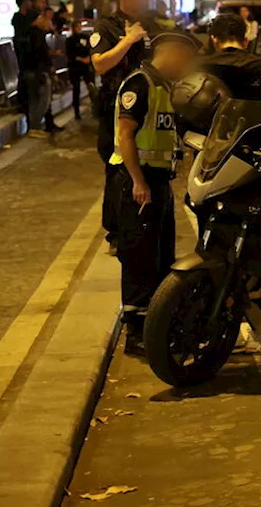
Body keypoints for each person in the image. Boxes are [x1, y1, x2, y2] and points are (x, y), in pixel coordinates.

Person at [110, 32, 199, 353]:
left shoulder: (164, 87)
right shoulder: (139, 84)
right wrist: (137, 181)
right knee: (139, 257)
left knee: (160, 255)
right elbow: (125, 135)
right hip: (138, 181)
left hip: (157, 181)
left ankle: (156, 327)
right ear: (171, 52)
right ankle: (136, 333)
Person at [91, 0, 153, 251]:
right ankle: (115, 232)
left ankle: (141, 223)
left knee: (144, 168)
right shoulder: (106, 26)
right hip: (114, 106)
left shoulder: (149, 23)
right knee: (116, 169)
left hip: (147, 105)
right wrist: (128, 41)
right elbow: (100, 64)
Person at [202, 13, 261, 134]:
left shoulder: (202, 67)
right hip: (256, 143)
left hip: (208, 143)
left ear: (214, 40)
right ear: (245, 41)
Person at [18, 6, 54, 137]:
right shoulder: (37, 35)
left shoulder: (26, 33)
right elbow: (41, 54)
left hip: (28, 71)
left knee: (34, 100)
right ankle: (35, 127)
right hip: (38, 71)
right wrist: (47, 67)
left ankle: (34, 127)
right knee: (42, 100)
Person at [65, 21, 96, 120]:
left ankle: (95, 109)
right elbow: (70, 54)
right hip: (75, 67)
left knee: (92, 87)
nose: (79, 28)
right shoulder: (70, 40)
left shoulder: (86, 37)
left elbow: (91, 49)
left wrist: (89, 58)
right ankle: (76, 113)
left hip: (86, 67)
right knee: (76, 89)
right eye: (77, 27)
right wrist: (81, 59)